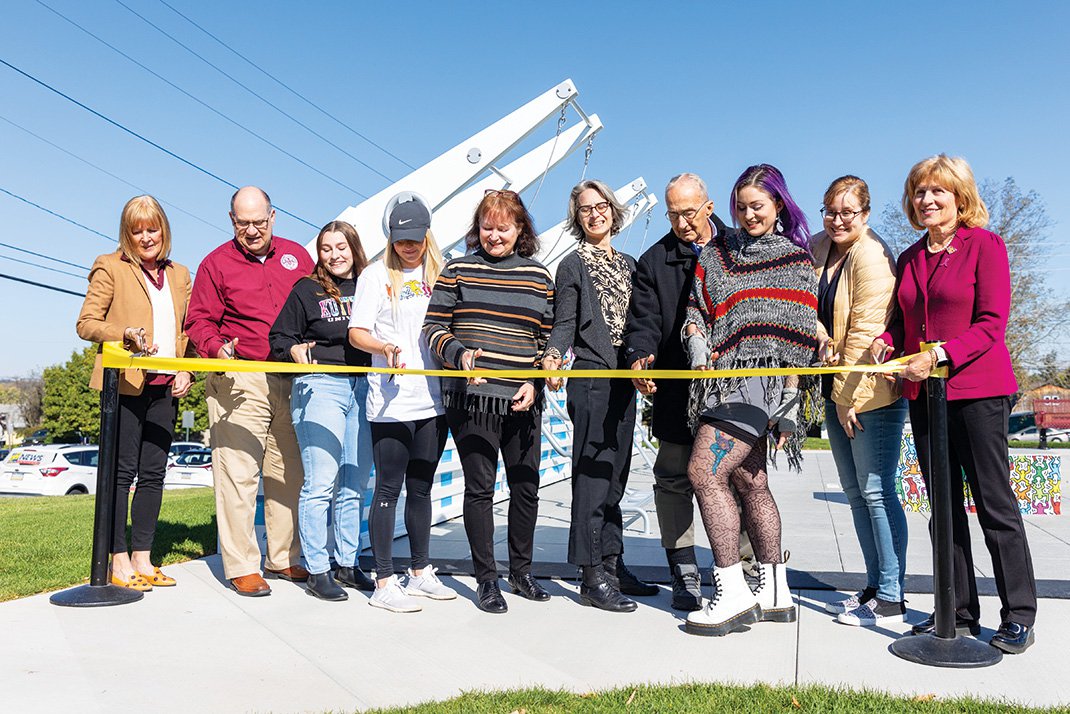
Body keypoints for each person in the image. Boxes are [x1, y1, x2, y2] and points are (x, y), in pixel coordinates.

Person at [873, 154, 1037, 654]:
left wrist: (939, 354)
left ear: (960, 198)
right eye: (919, 192)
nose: (927, 200)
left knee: (994, 503)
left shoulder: (985, 246)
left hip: (978, 393)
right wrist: (886, 339)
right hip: (926, 397)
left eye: (937, 191)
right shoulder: (910, 257)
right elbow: (905, 323)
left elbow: (991, 322)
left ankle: (1019, 615)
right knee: (942, 509)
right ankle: (959, 610)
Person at [681, 164, 818, 637]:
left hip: (759, 382)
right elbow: (696, 308)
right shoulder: (716, 253)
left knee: (704, 472)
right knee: (750, 481)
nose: (747, 214)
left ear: (778, 204)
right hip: (717, 379)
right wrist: (698, 343)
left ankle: (732, 592)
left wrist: (788, 407)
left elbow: (798, 343)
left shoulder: (796, 261)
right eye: (740, 206)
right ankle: (775, 590)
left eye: (756, 205)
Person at [423, 189, 555, 614]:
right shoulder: (458, 268)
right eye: (487, 227)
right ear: (476, 229)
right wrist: (458, 355)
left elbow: (550, 341)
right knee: (480, 490)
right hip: (472, 398)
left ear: (521, 230)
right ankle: (487, 580)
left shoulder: (539, 277)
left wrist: (536, 380)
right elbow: (433, 327)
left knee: (525, 486)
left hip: (523, 397)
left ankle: (522, 572)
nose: (494, 235)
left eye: (503, 227)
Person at [185, 186, 315, 597]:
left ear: (273, 217)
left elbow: (318, 305)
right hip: (240, 376)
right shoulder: (215, 263)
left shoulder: (298, 256)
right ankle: (242, 565)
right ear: (232, 221)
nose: (253, 230)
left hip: (292, 378)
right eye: (244, 223)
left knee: (288, 474)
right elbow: (199, 320)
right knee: (239, 475)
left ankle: (284, 557)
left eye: (260, 221)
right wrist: (215, 348)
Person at [542, 179, 657, 613]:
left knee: (617, 478)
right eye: (585, 209)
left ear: (613, 210)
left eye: (601, 205)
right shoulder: (572, 265)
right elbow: (564, 322)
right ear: (577, 218)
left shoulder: (629, 264)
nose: (595, 214)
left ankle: (612, 562)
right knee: (592, 480)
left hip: (625, 383)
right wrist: (553, 357)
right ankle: (590, 576)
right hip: (591, 379)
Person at [621, 173, 729, 611]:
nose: (683, 223)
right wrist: (640, 356)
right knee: (672, 478)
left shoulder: (737, 247)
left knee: (734, 477)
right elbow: (643, 320)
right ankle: (683, 571)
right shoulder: (653, 261)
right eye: (673, 215)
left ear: (708, 205)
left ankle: (740, 567)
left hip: (731, 388)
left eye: (689, 212)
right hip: (677, 391)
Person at [76, 195, 195, 591]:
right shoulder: (110, 267)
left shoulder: (179, 274)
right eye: (137, 230)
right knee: (121, 473)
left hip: (166, 386)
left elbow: (186, 331)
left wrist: (187, 368)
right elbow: (87, 323)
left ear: (164, 230)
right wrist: (123, 334)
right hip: (124, 384)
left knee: (154, 475)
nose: (146, 237)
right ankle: (118, 559)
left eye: (152, 228)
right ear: (127, 234)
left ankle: (144, 558)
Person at [349, 194, 457, 613]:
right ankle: (383, 580)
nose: (408, 246)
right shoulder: (375, 276)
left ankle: (419, 572)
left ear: (427, 235)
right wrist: (385, 345)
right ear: (390, 237)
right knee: (388, 488)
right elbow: (357, 332)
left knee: (422, 488)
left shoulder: (442, 272)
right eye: (400, 239)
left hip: (433, 400)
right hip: (391, 400)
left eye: (415, 238)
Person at [811, 176, 908, 627]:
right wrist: (820, 333)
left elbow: (869, 335)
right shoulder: (819, 247)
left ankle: (892, 595)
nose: (836, 219)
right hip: (836, 388)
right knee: (855, 494)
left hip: (871, 393)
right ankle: (873, 587)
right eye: (830, 210)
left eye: (847, 212)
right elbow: (801, 305)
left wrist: (851, 397)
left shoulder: (871, 255)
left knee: (876, 490)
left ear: (865, 215)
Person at [269, 221, 373, 601]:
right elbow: (280, 337)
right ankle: (318, 569)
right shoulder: (306, 290)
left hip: (364, 387)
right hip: (321, 384)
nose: (335, 255)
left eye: (341, 246)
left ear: (354, 247)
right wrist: (293, 351)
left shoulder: (370, 285)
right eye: (327, 248)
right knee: (321, 484)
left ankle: (348, 562)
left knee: (353, 483)